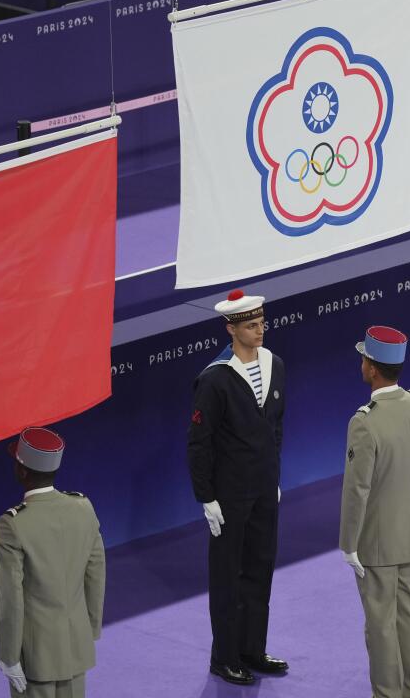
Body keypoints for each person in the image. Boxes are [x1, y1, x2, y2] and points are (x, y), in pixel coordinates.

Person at [186, 289, 288, 686]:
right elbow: (199, 443)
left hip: (264, 491)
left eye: (261, 323)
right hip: (228, 498)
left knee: (260, 570)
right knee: (228, 576)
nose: (259, 331)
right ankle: (224, 656)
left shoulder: (275, 365)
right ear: (231, 329)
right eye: (250, 326)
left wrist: (273, 478)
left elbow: (276, 427)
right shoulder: (214, 379)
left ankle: (252, 649)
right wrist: (206, 497)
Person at [340, 326, 410, 698]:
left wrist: (349, 543)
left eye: (363, 359)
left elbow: (357, 490)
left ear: (371, 368)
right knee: (409, 614)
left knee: (380, 623)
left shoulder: (365, 422)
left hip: (377, 543)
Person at [0, 426, 106, 696]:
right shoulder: (83, 507)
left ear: (22, 471)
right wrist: (87, 631)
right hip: (75, 646)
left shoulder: (12, 525)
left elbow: (11, 598)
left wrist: (9, 656)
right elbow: (96, 574)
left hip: (36, 656)